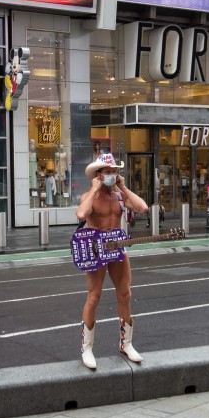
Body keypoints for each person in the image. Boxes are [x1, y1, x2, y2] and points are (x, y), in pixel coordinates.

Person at [76, 153, 149, 370]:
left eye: (114, 171)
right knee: (94, 296)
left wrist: (124, 188)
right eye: (108, 172)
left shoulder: (119, 196)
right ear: (98, 174)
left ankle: (126, 344)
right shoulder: (88, 196)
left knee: (125, 293)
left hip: (117, 247)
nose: (112, 175)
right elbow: (81, 214)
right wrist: (95, 189)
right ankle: (86, 347)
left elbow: (143, 208)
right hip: (96, 249)